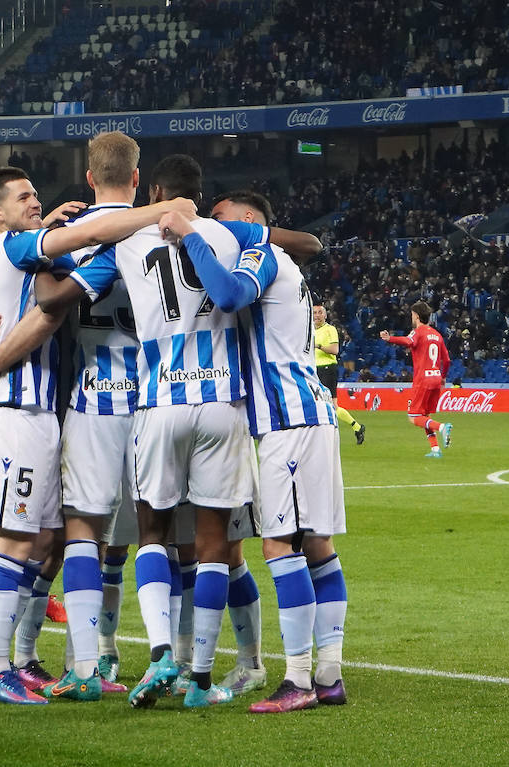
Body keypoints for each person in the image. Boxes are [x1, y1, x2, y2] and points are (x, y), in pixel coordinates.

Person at [37, 155, 270, 709]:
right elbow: (285, 246)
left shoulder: (127, 242)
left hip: (159, 400)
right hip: (222, 402)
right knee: (213, 547)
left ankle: (158, 652)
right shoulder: (232, 237)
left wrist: (53, 234)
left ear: (156, 190)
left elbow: (55, 299)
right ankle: (201, 677)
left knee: (150, 537)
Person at [0, 165, 195, 705]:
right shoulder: (17, 245)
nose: (35, 201)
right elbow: (73, 269)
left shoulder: (38, 250)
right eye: (24, 197)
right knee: (22, 540)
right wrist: (164, 211)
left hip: (58, 409)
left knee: (50, 542)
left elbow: (55, 292)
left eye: (36, 194)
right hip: (20, 408)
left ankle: (24, 658)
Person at [188, 190, 349, 712]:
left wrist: (192, 238)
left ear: (251, 220)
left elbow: (231, 295)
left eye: (220, 218)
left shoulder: (262, 253)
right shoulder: (288, 263)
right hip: (309, 414)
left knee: (280, 546)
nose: (214, 224)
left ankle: (299, 681)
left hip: (290, 420)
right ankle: (328, 675)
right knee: (317, 546)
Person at [380, 302, 453, 458]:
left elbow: (408, 341)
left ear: (417, 316)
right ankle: (435, 449)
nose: (411, 318)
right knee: (424, 416)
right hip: (436, 378)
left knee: (413, 417)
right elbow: (446, 360)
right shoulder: (437, 335)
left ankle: (442, 427)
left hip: (423, 380)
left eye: (412, 315)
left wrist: (389, 338)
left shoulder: (418, 332)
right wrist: (443, 377)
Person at [314, 305, 366, 445]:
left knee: (332, 406)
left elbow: (335, 350)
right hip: (313, 370)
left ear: (325, 315)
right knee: (316, 404)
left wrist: (318, 346)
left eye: (320, 313)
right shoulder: (309, 330)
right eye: (314, 313)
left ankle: (356, 426)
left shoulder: (329, 329)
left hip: (327, 369)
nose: (317, 315)